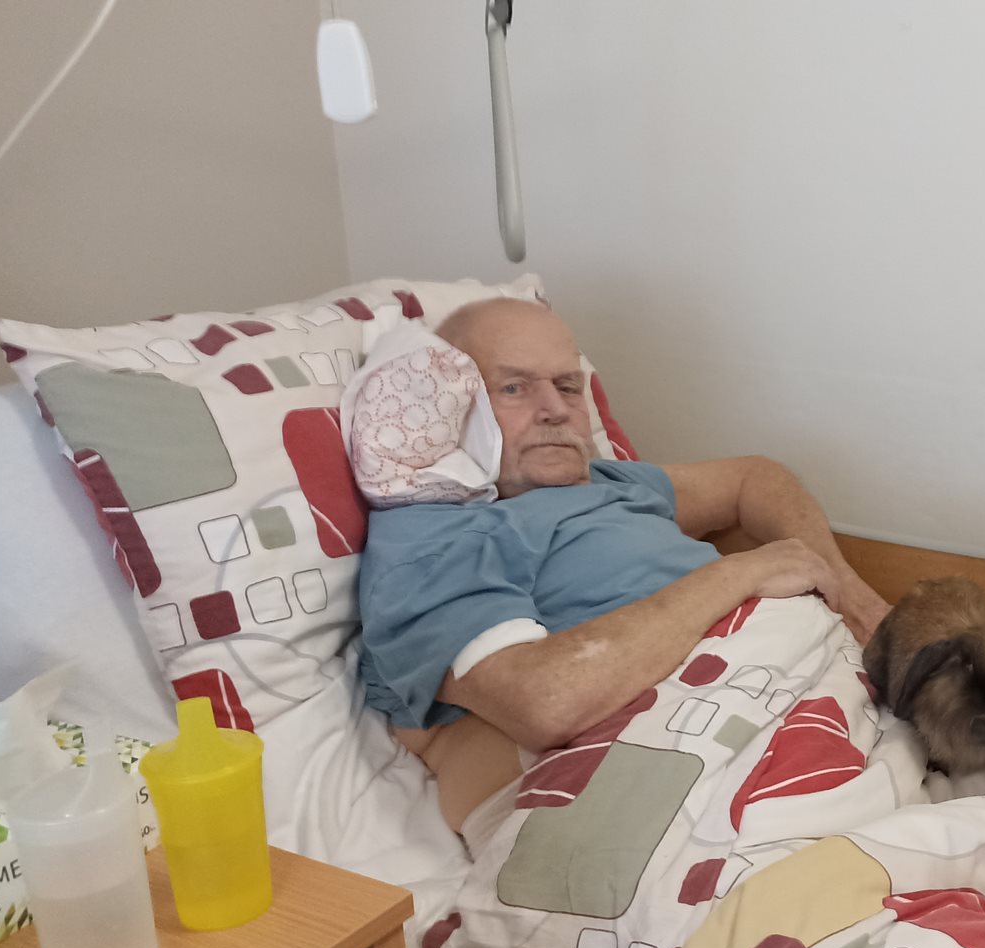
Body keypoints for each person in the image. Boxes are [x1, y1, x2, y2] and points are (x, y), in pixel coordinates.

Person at [356, 297, 891, 830]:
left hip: (819, 692)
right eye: (514, 388)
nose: (555, 408)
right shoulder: (434, 537)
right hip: (677, 760)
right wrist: (742, 573)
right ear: (450, 404)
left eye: (568, 386)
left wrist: (851, 593)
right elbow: (545, 704)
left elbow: (756, 476)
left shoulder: (610, 481)